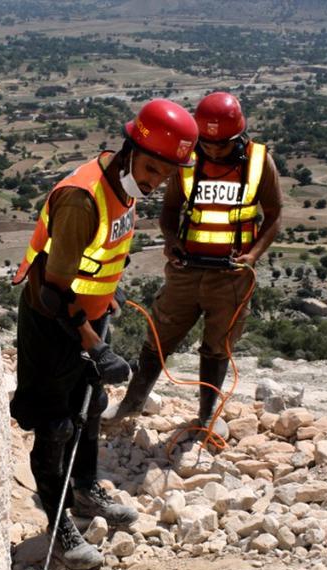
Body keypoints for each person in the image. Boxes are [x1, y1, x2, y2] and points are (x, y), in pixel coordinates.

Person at [9, 99, 198, 570]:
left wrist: (105, 302)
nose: (156, 182)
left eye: (166, 175)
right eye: (153, 167)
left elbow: (96, 261)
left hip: (89, 316)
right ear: (130, 148)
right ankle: (59, 524)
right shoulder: (83, 198)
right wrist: (93, 343)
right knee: (55, 426)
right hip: (55, 324)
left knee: (89, 410)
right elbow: (52, 290)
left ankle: (86, 490)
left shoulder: (124, 187)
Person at [106, 92, 283, 444]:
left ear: (238, 136)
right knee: (159, 337)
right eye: (208, 143)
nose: (214, 150)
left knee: (217, 347)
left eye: (222, 144)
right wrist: (170, 242)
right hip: (186, 271)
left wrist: (252, 257)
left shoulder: (259, 161)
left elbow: (274, 214)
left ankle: (205, 416)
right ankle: (132, 403)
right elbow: (169, 212)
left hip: (230, 275)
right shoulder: (186, 163)